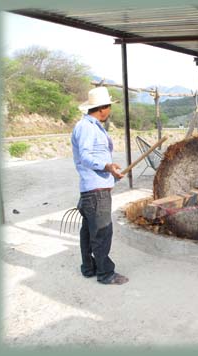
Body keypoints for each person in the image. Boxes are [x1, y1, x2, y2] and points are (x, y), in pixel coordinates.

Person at [71, 87, 128, 285]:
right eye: (109, 107)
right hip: (95, 193)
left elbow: (92, 157)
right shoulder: (87, 127)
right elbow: (86, 156)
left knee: (88, 231)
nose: (109, 111)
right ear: (102, 108)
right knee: (102, 232)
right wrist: (107, 166)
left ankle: (89, 268)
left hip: (93, 188)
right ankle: (106, 274)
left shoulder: (91, 126)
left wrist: (111, 172)